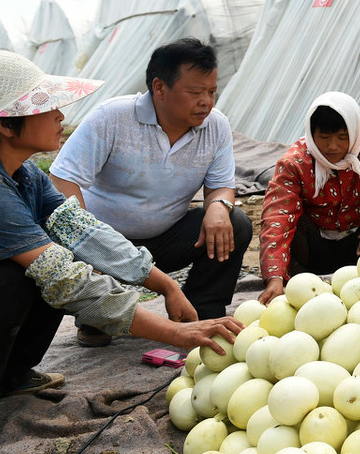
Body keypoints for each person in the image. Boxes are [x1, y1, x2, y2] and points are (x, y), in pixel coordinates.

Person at [0, 52, 242, 454]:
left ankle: (9, 376)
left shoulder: (24, 174)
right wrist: (175, 333)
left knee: (53, 259)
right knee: (18, 278)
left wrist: (164, 285)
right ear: (4, 124)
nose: (59, 116)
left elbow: (83, 231)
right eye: (47, 107)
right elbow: (63, 278)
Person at [49, 38, 251, 345]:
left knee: (233, 222)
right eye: (195, 92)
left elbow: (221, 185)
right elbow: (63, 181)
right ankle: (97, 316)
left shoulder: (216, 127)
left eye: (211, 92)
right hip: (108, 247)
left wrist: (219, 207)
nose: (207, 102)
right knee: (98, 325)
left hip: (167, 239)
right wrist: (89, 244)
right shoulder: (112, 118)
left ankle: (203, 313)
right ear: (159, 88)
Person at [258, 92, 360, 303]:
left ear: (355, 133)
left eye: (342, 137)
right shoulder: (294, 163)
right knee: (292, 221)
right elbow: (276, 220)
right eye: (324, 136)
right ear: (311, 133)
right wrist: (274, 278)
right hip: (315, 249)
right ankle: (304, 282)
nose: (333, 146)